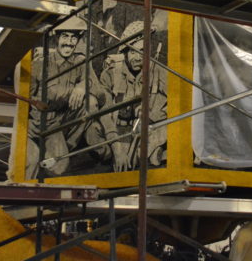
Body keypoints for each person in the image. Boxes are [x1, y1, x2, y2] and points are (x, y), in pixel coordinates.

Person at [26, 16, 105, 178]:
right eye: (65, 36)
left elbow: (101, 95)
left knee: (60, 166)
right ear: (56, 38)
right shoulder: (41, 63)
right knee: (30, 163)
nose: (69, 42)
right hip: (35, 123)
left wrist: (83, 85)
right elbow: (24, 99)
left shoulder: (81, 62)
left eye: (73, 37)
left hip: (57, 124)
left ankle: (67, 148)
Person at [97, 20, 167, 172]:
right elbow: (103, 112)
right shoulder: (111, 73)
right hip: (115, 131)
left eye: (142, 51)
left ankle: (152, 152)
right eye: (133, 51)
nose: (138, 57)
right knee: (97, 138)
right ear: (125, 52)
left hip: (146, 130)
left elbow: (178, 100)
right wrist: (116, 149)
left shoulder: (158, 71)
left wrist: (152, 114)